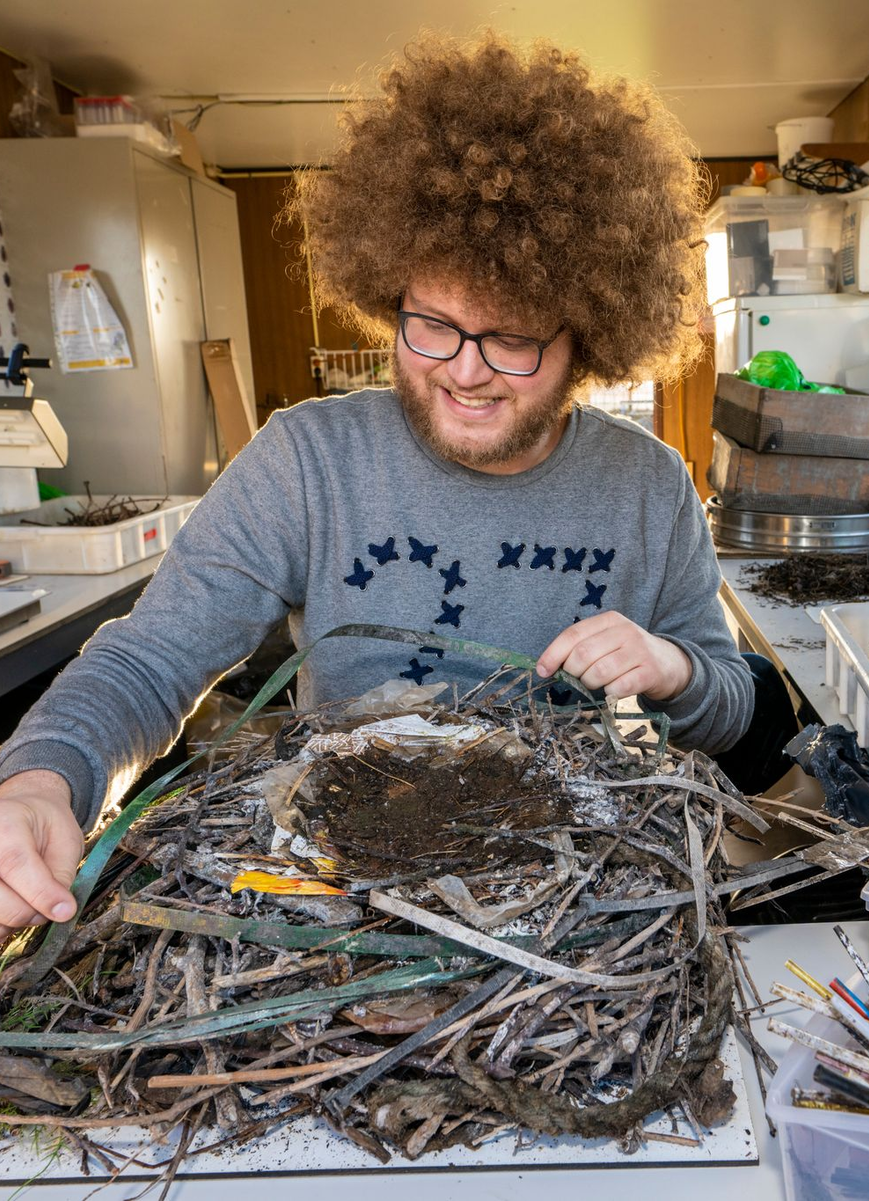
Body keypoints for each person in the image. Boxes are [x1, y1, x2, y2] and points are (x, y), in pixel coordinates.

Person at [0, 33, 793, 941]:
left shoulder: (648, 485)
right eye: (434, 325)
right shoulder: (308, 459)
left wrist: (674, 667)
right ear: (389, 294)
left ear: (589, 337)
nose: (466, 373)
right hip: (342, 895)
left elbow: (732, 704)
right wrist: (41, 778)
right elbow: (151, 658)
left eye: (514, 339)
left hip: (568, 901)